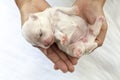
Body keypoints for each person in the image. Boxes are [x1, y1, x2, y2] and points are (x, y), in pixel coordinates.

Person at [15, 0, 107, 73]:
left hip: (82, 23)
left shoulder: (49, 13)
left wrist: (71, 10)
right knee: (70, 48)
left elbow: (59, 9)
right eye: (38, 44)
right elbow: (57, 35)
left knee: (90, 31)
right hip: (75, 42)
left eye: (40, 34)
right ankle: (81, 47)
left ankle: (94, 29)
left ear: (35, 17)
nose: (44, 43)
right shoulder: (52, 32)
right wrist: (25, 2)